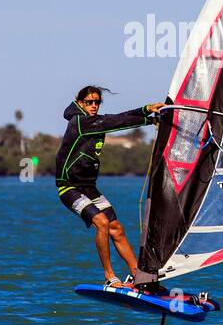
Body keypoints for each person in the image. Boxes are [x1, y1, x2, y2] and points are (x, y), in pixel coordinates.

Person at [55, 86, 163, 288]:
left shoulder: (94, 121)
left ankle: (141, 277)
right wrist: (148, 117)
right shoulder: (79, 122)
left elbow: (115, 118)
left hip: (89, 188)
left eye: (97, 102)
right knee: (102, 223)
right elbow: (115, 122)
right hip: (69, 188)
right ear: (79, 103)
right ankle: (110, 276)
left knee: (116, 228)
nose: (94, 105)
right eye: (89, 102)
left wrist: (146, 110)